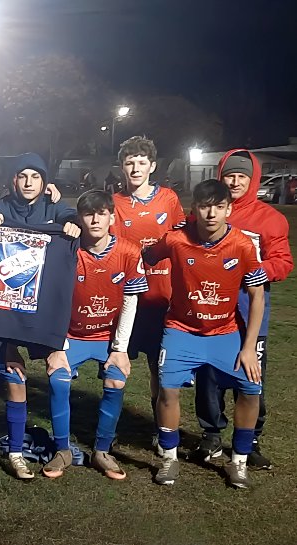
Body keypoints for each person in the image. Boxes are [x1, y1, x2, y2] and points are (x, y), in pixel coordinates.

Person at [145, 179, 266, 489]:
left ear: (228, 208)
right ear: (194, 209)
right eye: (204, 206)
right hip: (181, 330)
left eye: (219, 207)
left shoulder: (242, 244)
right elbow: (147, 255)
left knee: (251, 388)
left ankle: (238, 462)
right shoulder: (175, 240)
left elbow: (257, 297)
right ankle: (169, 459)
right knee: (168, 389)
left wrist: (249, 346)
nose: (211, 213)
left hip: (224, 332)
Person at [194, 151, 293, 467]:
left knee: (250, 377)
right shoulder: (211, 210)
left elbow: (283, 261)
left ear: (253, 180)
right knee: (208, 377)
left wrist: (260, 269)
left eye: (242, 177)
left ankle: (249, 440)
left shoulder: (270, 219)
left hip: (250, 312)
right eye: (230, 175)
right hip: (211, 310)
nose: (235, 182)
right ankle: (211, 436)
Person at [41, 190, 147, 480]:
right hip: (72, 335)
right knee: (58, 378)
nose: (95, 219)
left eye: (102, 213)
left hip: (106, 338)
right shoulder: (66, 249)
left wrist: (120, 348)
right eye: (89, 213)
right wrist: (58, 345)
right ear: (79, 218)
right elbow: (55, 300)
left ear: (112, 217)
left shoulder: (128, 251)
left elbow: (130, 301)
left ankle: (102, 451)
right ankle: (62, 449)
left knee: (116, 377)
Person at [0, 153, 79, 481]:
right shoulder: (3, 207)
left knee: (58, 372)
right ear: (14, 180)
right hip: (11, 306)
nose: (28, 182)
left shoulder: (54, 207)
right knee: (13, 374)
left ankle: (63, 446)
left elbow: (70, 214)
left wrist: (70, 220)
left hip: (44, 307)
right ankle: (14, 446)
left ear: (44, 181)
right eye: (22, 176)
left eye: (35, 177)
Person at [109, 136, 185, 436]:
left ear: (152, 166)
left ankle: (158, 427)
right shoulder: (114, 203)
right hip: (127, 299)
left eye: (142, 162)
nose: (136, 168)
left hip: (160, 298)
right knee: (117, 361)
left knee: (158, 366)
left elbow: (180, 241)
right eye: (130, 162)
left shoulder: (168, 199)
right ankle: (110, 427)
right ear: (122, 167)